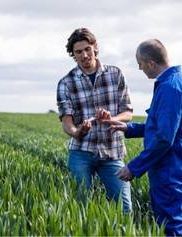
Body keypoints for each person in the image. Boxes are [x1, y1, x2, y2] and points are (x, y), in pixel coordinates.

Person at [101, 39, 182, 236]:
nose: (140, 68)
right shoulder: (173, 81)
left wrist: (134, 168)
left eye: (141, 64)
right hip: (170, 160)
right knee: (168, 217)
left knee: (171, 224)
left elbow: (164, 138)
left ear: (151, 63)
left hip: (171, 162)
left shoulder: (170, 87)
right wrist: (128, 128)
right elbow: (159, 126)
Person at [56, 28, 133, 213]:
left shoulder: (116, 74)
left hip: (112, 151)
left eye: (87, 49)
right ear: (73, 55)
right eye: (78, 52)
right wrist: (77, 132)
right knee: (81, 209)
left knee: (124, 208)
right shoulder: (66, 82)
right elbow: (67, 121)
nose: (84, 55)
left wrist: (112, 119)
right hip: (81, 152)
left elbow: (128, 112)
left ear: (95, 48)